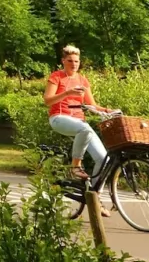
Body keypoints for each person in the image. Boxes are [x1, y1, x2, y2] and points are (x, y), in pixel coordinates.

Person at [45, 44, 112, 191]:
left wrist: (109, 111)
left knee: (104, 159)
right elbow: (48, 100)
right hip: (59, 118)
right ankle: (76, 166)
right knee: (85, 128)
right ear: (63, 61)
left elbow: (92, 105)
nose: (74, 64)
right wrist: (67, 93)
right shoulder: (56, 76)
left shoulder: (82, 80)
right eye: (70, 60)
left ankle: (94, 195)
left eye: (76, 61)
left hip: (80, 123)